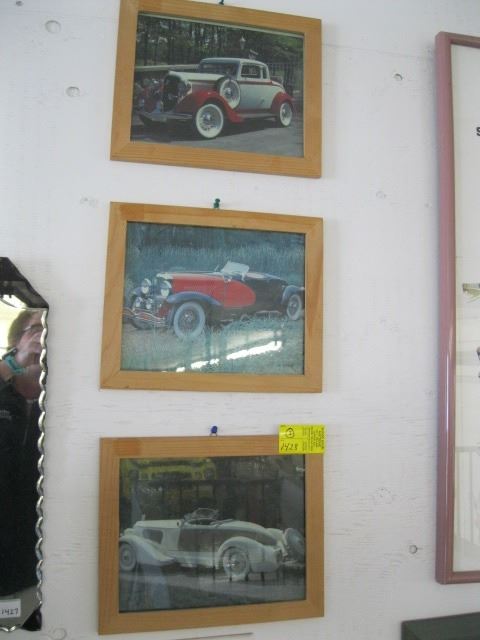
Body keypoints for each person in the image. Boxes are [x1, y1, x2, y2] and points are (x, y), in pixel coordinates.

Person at [0, 309, 43, 597]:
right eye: (36, 329)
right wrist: (16, 363)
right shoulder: (3, 392)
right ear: (16, 340)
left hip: (33, 553)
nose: (44, 337)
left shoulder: (62, 400)